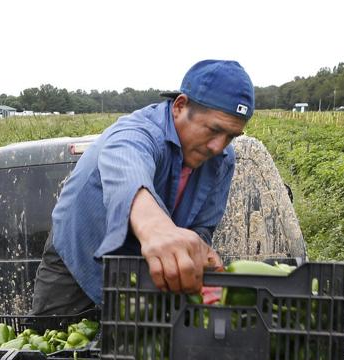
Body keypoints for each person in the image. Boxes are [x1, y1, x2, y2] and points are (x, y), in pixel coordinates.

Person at [31, 59, 254, 316]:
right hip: (79, 259)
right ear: (180, 106)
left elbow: (202, 225)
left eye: (230, 136)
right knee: (54, 342)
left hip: (142, 270)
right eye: (214, 130)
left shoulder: (222, 159)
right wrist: (156, 228)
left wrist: (199, 251)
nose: (218, 146)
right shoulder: (139, 131)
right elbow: (125, 166)